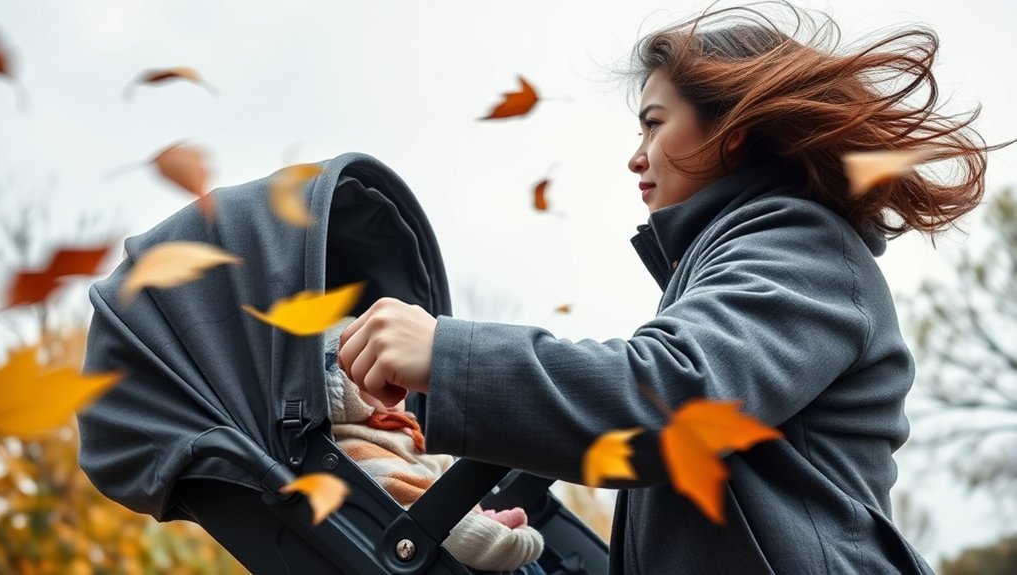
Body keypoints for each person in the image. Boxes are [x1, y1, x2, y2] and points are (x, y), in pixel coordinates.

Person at [336, 2, 1004, 573]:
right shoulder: (745, 253)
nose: (635, 155)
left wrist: (447, 355)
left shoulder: (800, 244)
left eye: (654, 123)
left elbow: (674, 401)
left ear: (733, 132)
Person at [324, 318, 547, 574]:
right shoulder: (358, 451)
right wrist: (499, 535)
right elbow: (414, 509)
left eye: (397, 377)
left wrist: (482, 517)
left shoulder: (411, 438)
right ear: (342, 388)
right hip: (433, 543)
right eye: (377, 376)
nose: (399, 389)